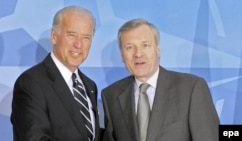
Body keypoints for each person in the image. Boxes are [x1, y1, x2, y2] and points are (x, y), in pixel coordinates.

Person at [101, 18, 219, 141]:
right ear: (122, 56)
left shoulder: (191, 88)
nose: (138, 54)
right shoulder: (111, 96)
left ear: (158, 50)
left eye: (145, 45)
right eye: (130, 47)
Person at [11, 5, 101, 141]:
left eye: (86, 37)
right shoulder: (31, 84)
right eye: (71, 35)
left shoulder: (90, 86)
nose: (78, 44)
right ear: (54, 36)